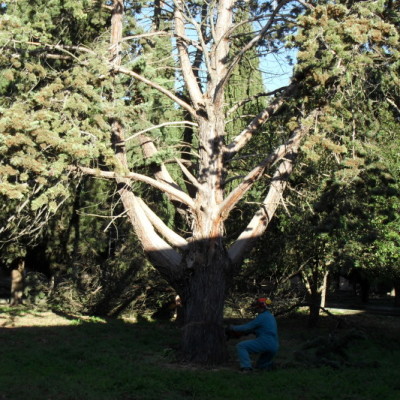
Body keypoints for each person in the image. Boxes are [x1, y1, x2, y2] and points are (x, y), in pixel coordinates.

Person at [229, 297, 279, 372]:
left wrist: (232, 328)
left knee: (241, 346)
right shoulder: (271, 317)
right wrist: (245, 333)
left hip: (265, 342)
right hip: (275, 345)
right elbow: (257, 329)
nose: (256, 308)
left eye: (257, 306)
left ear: (261, 307)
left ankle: (246, 368)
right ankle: (268, 366)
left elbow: (247, 327)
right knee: (260, 366)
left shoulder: (262, 317)